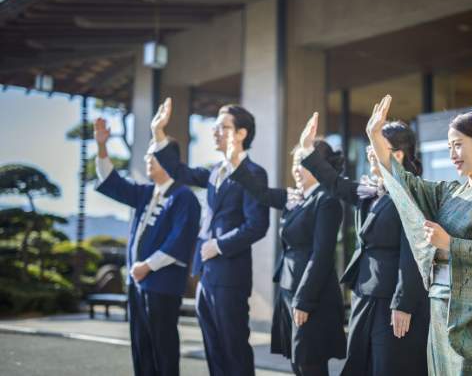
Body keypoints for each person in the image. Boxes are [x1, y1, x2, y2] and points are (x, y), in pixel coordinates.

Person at [367, 95, 472, 375]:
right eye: (449, 147)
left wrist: (450, 244)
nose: (453, 154)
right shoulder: (451, 192)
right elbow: (406, 184)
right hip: (442, 308)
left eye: (458, 145)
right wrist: (374, 137)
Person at [297, 113, 428, 376]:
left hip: (391, 299)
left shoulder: (412, 193)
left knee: (387, 367)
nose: (369, 152)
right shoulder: (371, 191)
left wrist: (404, 303)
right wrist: (307, 148)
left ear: (398, 155)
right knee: (359, 363)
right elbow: (335, 183)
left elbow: (413, 252)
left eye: (376, 145)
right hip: (363, 292)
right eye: (369, 145)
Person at [150, 98, 269, 376]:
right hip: (206, 274)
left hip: (230, 277)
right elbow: (179, 171)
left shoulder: (254, 174)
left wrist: (219, 245)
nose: (215, 131)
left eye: (223, 127)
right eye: (215, 126)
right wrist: (158, 133)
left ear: (241, 133)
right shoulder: (215, 171)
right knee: (214, 350)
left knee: (233, 350)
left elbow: (257, 225)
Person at [226, 130, 346, 376]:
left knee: (309, 365)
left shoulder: (327, 201)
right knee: (296, 363)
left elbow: (321, 256)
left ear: (318, 165)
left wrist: (304, 300)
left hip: (311, 296)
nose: (296, 169)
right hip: (288, 290)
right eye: (294, 163)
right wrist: (235, 161)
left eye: (302, 163)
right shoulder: (296, 197)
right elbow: (261, 193)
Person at [93, 118, 201, 376]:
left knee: (162, 347)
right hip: (137, 283)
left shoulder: (184, 197)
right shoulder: (145, 192)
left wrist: (147, 266)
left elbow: (179, 240)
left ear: (168, 159)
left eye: (153, 155)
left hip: (162, 284)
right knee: (141, 346)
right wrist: (102, 146)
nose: (147, 159)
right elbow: (112, 181)